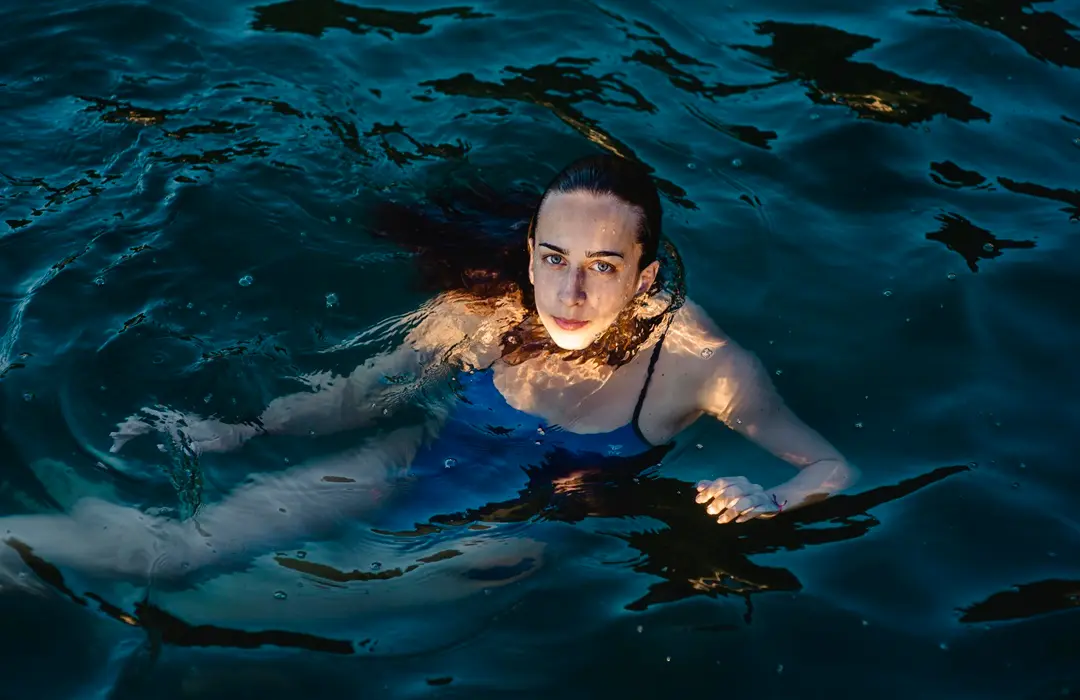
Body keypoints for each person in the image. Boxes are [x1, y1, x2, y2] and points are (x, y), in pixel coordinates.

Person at [1, 153, 857, 585]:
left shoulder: (704, 367)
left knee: (244, 609)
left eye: (603, 265)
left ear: (643, 272)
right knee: (177, 555)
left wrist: (772, 499)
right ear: (529, 253)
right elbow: (355, 395)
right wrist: (235, 431)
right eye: (554, 257)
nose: (570, 289)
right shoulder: (484, 315)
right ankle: (30, 546)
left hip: (515, 537)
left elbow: (832, 466)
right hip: (413, 457)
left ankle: (48, 545)